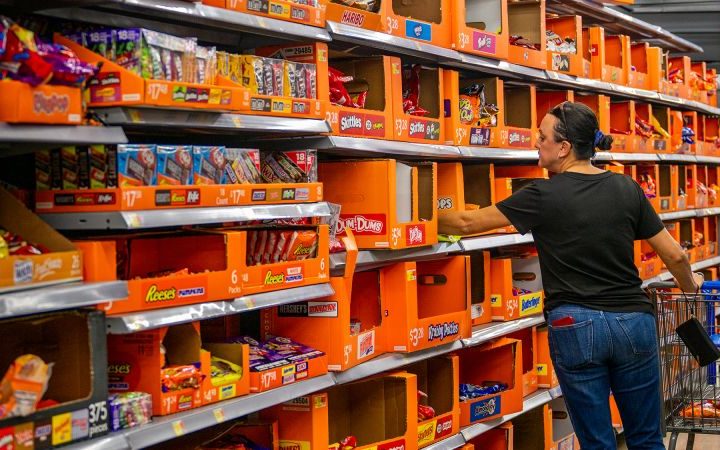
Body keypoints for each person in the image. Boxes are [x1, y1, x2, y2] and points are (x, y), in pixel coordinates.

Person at [439, 101, 703, 450]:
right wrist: (691, 290)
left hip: (575, 326)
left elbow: (465, 223)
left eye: (542, 136)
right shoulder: (626, 188)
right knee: (646, 438)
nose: (536, 142)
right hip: (633, 322)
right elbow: (676, 255)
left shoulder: (541, 195)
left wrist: (418, 214)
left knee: (597, 443)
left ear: (563, 147)